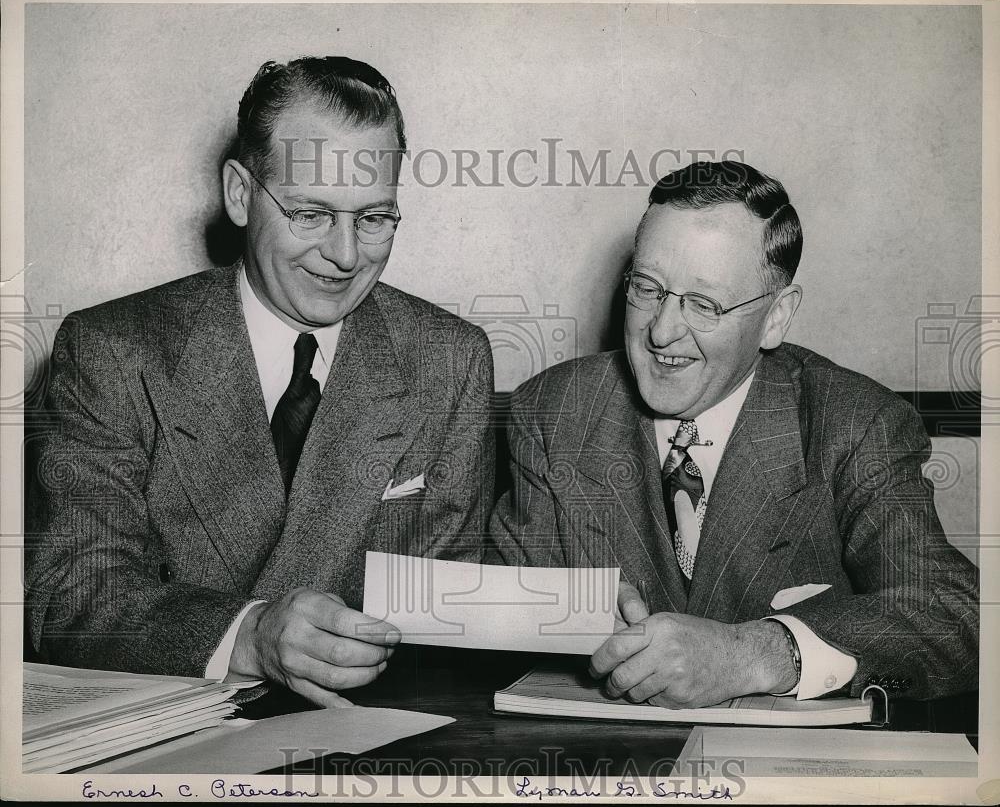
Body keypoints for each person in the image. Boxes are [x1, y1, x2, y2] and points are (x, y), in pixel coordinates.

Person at [26, 56, 495, 708]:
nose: (345, 254)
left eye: (373, 217)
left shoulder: (449, 359)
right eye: (310, 213)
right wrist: (247, 633)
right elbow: (69, 591)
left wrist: (580, 615)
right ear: (241, 195)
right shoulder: (112, 350)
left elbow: (449, 602)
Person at [490, 160, 978, 706]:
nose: (662, 331)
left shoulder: (856, 424)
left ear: (776, 317)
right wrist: (566, 613)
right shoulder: (555, 411)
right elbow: (499, 594)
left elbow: (955, 613)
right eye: (647, 288)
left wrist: (757, 652)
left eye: (704, 304)